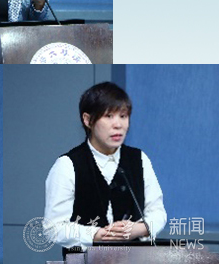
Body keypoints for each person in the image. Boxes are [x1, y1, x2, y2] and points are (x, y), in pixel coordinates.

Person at [44, 82, 167, 257]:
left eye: (123, 116)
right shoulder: (67, 165)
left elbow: (158, 212)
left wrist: (139, 229)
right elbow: (53, 228)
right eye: (108, 116)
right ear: (87, 120)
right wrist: (96, 234)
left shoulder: (139, 159)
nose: (118, 125)